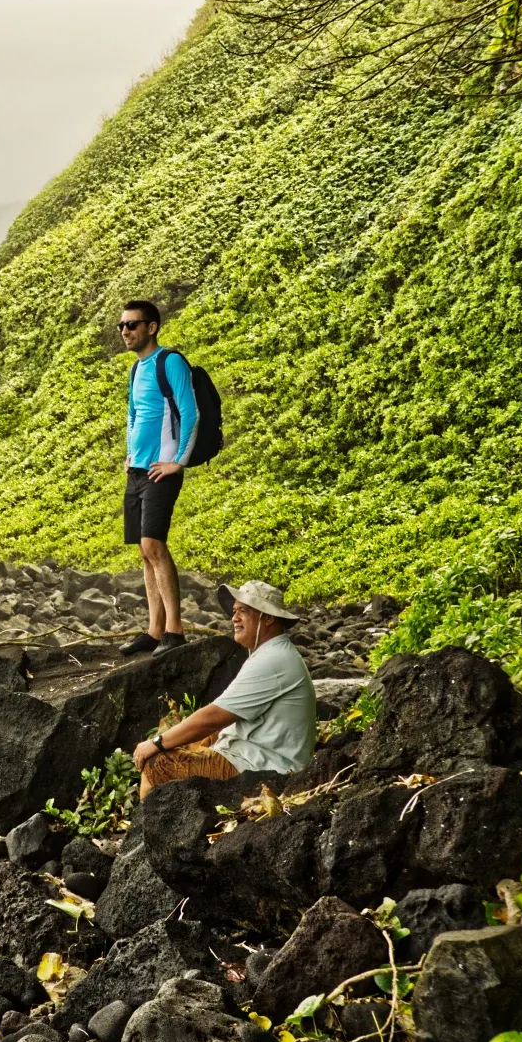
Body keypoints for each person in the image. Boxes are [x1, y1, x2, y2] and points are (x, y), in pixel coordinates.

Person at [131, 580, 317, 799]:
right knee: (187, 740)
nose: (234, 618)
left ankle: (143, 830)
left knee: (156, 764)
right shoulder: (271, 652)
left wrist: (157, 743)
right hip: (254, 757)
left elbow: (215, 716)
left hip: (265, 768)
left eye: (243, 611)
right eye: (234, 611)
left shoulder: (273, 659)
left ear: (268, 618)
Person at [115, 301, 200, 658]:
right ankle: (154, 630)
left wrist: (178, 462)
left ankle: (174, 631)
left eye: (131, 325)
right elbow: (134, 416)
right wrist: (129, 453)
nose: (125, 332)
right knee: (143, 549)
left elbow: (190, 413)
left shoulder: (170, 362)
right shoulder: (137, 369)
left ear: (151, 327)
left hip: (161, 470)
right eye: (121, 326)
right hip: (138, 469)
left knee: (154, 546)